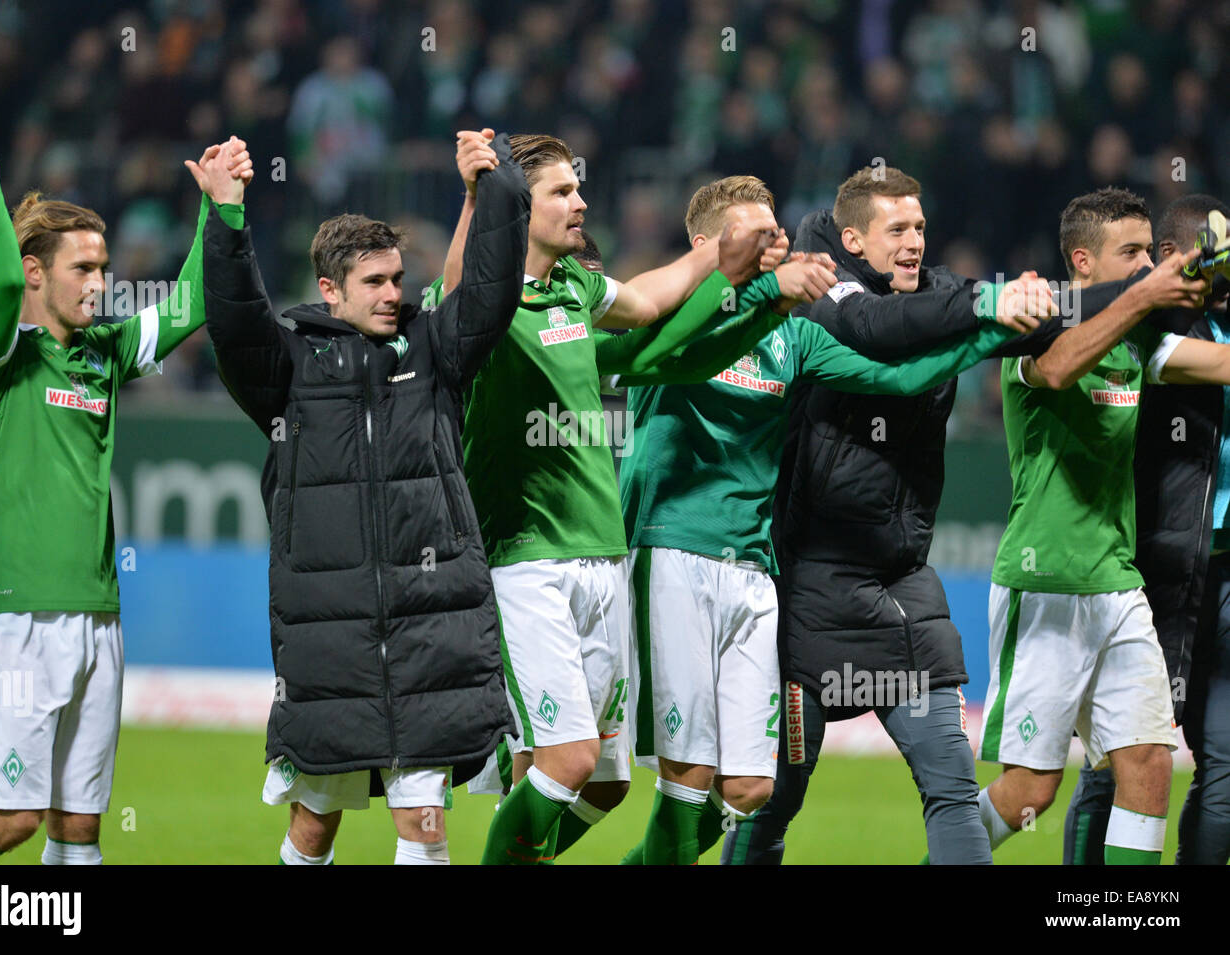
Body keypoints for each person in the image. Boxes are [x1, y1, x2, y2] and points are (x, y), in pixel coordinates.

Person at [616, 174, 1059, 864]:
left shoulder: (794, 334)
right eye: (756, 234)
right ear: (708, 247)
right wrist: (763, 287)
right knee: (682, 788)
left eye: (777, 230)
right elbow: (677, 343)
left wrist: (990, 328)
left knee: (758, 787)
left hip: (777, 576)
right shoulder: (681, 317)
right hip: (701, 563)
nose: (777, 242)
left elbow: (897, 377)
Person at [720, 165, 1156, 865]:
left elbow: (1053, 317)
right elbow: (883, 330)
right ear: (856, 238)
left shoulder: (946, 294)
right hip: (809, 589)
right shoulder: (825, 295)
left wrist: (1146, 291)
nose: (916, 241)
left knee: (953, 791)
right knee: (772, 801)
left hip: (904, 589)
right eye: (899, 229)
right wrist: (989, 305)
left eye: (921, 226)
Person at [436, 132, 781, 864]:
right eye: (561, 192)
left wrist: (717, 256)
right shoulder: (485, 308)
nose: (580, 201)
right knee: (566, 761)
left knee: (604, 783)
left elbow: (651, 300)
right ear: (519, 206)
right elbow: (459, 284)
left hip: (603, 554)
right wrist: (475, 197)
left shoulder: (577, 288)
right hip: (526, 559)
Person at [0, 101, 249, 865]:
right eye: (85, 268)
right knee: (9, 819)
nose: (103, 283)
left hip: (98, 620)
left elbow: (192, 303)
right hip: (13, 620)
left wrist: (221, 210)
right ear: (39, 271)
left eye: (105, 267)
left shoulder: (103, 352)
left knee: (78, 828)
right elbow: (1, 283)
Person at [204, 131, 526, 865]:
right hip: (332, 650)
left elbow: (491, 289)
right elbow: (232, 320)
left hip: (428, 642)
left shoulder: (435, 353)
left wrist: (496, 182)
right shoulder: (288, 370)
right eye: (375, 282)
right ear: (329, 290)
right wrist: (225, 214)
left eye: (396, 278)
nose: (394, 294)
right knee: (312, 833)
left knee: (425, 828)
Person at [977, 186, 1230, 864]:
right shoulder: (1035, 327)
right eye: (1132, 252)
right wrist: (1146, 300)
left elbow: (1224, 363)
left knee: (1148, 762)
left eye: (1152, 250)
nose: (1148, 264)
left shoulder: (1138, 343)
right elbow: (1058, 368)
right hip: (1045, 581)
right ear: (1082, 261)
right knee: (1032, 789)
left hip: (1118, 585)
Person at [1059, 192, 1230, 864]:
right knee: (1118, 762)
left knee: (1223, 767)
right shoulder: (1133, 332)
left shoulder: (1212, 326)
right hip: (1149, 577)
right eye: (1215, 261)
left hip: (1219, 577)